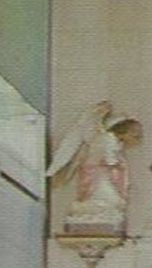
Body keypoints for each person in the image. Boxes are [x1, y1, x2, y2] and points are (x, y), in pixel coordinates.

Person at [47, 100, 142, 233]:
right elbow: (110, 161)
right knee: (108, 198)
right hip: (97, 175)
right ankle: (93, 214)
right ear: (124, 130)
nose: (137, 137)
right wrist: (119, 165)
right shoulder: (108, 138)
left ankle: (98, 214)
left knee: (111, 200)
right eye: (134, 133)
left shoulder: (114, 141)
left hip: (101, 173)